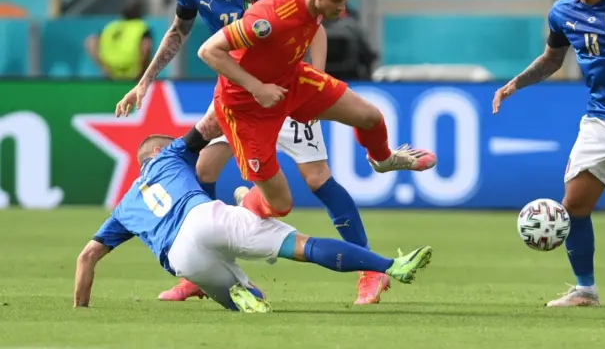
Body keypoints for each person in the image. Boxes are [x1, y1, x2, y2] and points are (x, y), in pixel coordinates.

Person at [116, 0, 440, 305]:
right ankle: (214, 255)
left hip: (289, 82)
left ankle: (376, 230)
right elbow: (198, 43)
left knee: (347, 144)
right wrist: (146, 82)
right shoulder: (254, 11)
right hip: (244, 99)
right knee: (223, 178)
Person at [196, 0, 439, 227]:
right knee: (281, 204)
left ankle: (383, 159)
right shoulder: (270, 18)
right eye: (336, 1)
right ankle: (243, 206)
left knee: (370, 117)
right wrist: (256, 88)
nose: (342, 7)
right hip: (245, 104)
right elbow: (208, 51)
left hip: (290, 80)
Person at [73, 125, 434, 311]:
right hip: (206, 217)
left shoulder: (123, 206)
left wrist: (81, 309)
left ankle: (243, 294)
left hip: (182, 257)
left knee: (246, 297)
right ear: (156, 150)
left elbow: (86, 257)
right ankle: (390, 266)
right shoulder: (169, 155)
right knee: (303, 245)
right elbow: (207, 127)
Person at [492, 0, 605, 307]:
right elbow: (552, 59)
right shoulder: (561, 12)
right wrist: (515, 84)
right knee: (574, 206)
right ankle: (585, 290)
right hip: (599, 118)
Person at [85, 0, 152, 79]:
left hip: (111, 74)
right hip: (133, 75)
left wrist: (103, 66)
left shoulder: (112, 26)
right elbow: (146, 47)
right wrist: (143, 73)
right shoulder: (141, 27)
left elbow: (91, 41)